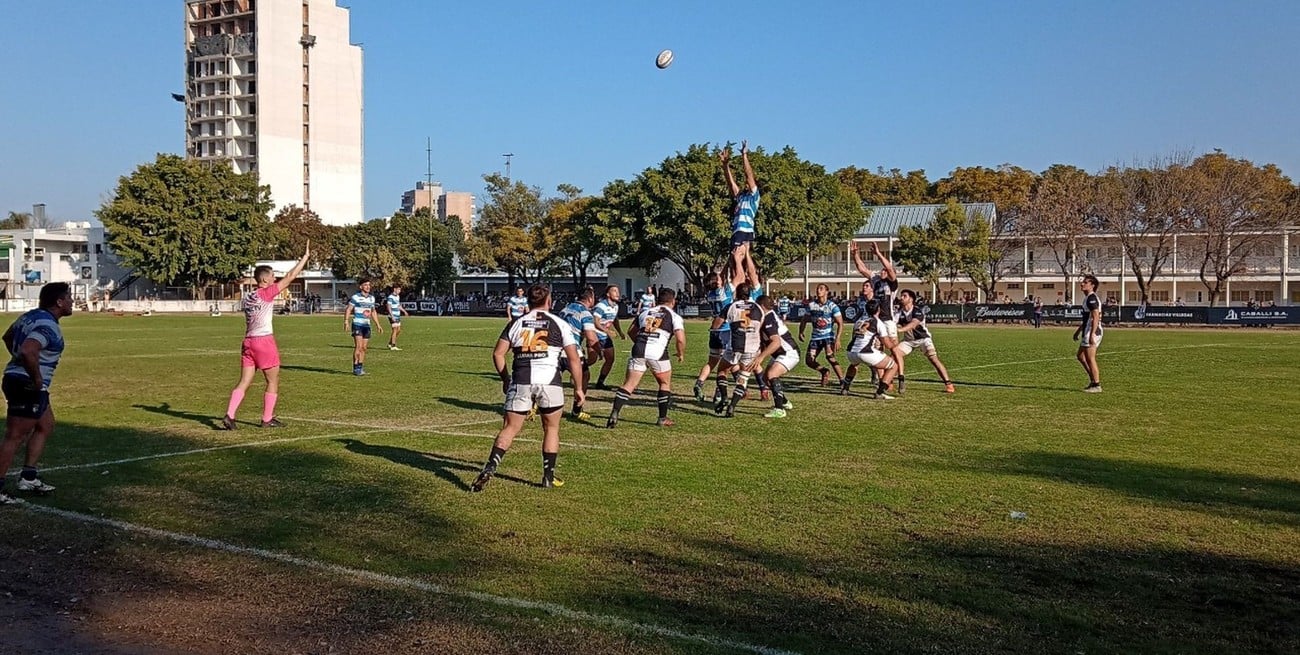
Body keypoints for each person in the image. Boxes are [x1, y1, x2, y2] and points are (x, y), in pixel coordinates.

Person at [471, 285, 585, 492]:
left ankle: (489, 467)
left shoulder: (516, 322)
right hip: (549, 381)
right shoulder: (559, 323)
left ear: (528, 301)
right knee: (551, 428)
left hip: (521, 380)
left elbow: (498, 354)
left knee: (510, 428)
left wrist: (505, 378)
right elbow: (574, 359)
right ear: (549, 301)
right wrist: (578, 388)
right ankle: (548, 477)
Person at [222, 245, 312, 430]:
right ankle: (267, 418)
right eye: (272, 276)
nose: (274, 279)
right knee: (272, 380)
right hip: (263, 341)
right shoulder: (266, 293)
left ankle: (230, 415)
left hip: (248, 342)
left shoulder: (249, 297)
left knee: (244, 381)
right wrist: (304, 258)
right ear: (264, 279)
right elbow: (290, 277)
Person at [0, 282, 73, 504]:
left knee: (45, 425)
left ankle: (28, 477)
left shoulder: (30, 316)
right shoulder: (47, 325)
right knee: (15, 435)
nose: (72, 302)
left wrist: (19, 361)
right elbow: (28, 350)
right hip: (26, 384)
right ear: (59, 302)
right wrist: (36, 377)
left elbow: (8, 337)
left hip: (22, 381)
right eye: (69, 297)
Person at [606, 287, 686, 428]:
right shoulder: (674, 316)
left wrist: (639, 343)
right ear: (673, 301)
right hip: (657, 352)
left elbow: (631, 331)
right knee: (664, 383)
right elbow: (680, 339)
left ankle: (615, 412)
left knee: (629, 384)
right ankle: (662, 418)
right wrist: (680, 353)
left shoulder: (645, 312)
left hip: (639, 350)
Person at [851, 241, 905, 391]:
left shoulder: (892, 284)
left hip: (888, 321)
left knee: (894, 349)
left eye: (885, 270)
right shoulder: (875, 280)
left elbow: (890, 268)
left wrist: (879, 254)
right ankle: (883, 381)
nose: (883, 271)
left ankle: (900, 377)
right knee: (877, 350)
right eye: (882, 270)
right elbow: (862, 268)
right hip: (877, 321)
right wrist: (855, 254)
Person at [693, 258, 745, 402]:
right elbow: (739, 277)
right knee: (725, 365)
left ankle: (699, 384)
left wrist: (728, 262)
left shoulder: (710, 294)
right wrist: (735, 260)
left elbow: (721, 276)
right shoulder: (726, 292)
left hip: (714, 332)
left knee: (712, 362)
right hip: (726, 330)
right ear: (717, 282)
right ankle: (719, 393)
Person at [714, 281, 765, 418]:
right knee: (744, 378)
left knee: (722, 370)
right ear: (750, 293)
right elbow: (761, 327)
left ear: (736, 293)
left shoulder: (731, 306)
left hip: (734, 346)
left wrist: (715, 328)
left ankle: (724, 397)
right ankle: (732, 406)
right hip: (752, 347)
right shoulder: (758, 308)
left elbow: (717, 324)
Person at [895, 289, 956, 393]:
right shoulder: (899, 313)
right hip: (909, 341)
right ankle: (891, 381)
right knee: (894, 355)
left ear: (911, 299)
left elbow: (913, 324)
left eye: (904, 296)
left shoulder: (917, 311)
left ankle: (948, 383)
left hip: (923, 339)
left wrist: (900, 330)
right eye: (901, 296)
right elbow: (892, 323)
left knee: (934, 359)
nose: (901, 298)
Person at [840, 298, 897, 400]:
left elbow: (854, 336)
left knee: (854, 364)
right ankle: (880, 392)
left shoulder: (859, 321)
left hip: (851, 352)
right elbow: (887, 343)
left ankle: (845, 388)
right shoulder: (878, 322)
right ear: (878, 309)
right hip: (865, 352)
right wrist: (895, 346)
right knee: (893, 366)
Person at [753, 295, 799, 418]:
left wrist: (761, 357)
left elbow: (776, 342)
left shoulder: (768, 318)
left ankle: (779, 410)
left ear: (762, 306)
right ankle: (784, 402)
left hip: (789, 352)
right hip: (780, 353)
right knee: (766, 379)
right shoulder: (767, 317)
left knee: (772, 374)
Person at [559, 286, 602, 420]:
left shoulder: (565, 309)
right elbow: (591, 338)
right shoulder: (585, 313)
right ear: (590, 298)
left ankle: (535, 404)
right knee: (584, 376)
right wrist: (599, 351)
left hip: (556, 350)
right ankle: (577, 409)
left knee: (552, 379)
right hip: (572, 350)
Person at [720, 140, 759, 280]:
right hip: (736, 233)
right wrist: (725, 165)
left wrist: (744, 156)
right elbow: (731, 183)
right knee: (733, 261)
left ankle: (745, 281)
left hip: (745, 232)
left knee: (741, 260)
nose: (746, 183)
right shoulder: (740, 197)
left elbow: (749, 176)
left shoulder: (754, 196)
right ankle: (736, 285)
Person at [799, 283, 845, 387]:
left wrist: (837, 339)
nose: (818, 291)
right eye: (817, 289)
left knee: (830, 357)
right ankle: (824, 371)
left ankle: (842, 380)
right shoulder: (811, 305)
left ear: (826, 292)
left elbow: (840, 323)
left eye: (821, 289)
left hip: (828, 337)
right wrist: (801, 332)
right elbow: (804, 319)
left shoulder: (832, 306)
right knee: (809, 361)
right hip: (815, 338)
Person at [345, 278, 383, 376]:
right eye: (365, 285)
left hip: (367, 325)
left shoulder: (372, 298)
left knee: (364, 348)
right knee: (358, 346)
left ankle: (360, 367)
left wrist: (378, 324)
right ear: (361, 287)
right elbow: (349, 309)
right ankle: (356, 367)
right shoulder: (355, 297)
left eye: (369, 285)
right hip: (357, 324)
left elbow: (373, 311)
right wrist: (346, 321)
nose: (368, 287)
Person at [1073, 274, 1104, 392]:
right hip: (1088, 330)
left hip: (1092, 331)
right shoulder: (1088, 298)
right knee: (1080, 356)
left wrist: (1092, 334)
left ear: (1092, 285)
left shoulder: (1091, 298)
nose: (1082, 284)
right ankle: (1093, 380)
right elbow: (1088, 318)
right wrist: (1078, 331)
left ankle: (1096, 385)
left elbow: (1095, 317)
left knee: (1090, 358)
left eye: (1085, 282)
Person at [591, 285, 625, 389]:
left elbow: (615, 319)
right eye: (614, 291)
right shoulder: (601, 306)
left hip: (604, 336)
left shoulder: (615, 306)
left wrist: (620, 332)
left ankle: (600, 383)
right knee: (592, 360)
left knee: (610, 358)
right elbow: (595, 321)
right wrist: (607, 331)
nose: (617, 293)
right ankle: (574, 369)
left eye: (618, 291)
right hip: (595, 334)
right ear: (608, 294)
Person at [386, 284, 407, 351]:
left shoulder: (397, 296)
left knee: (398, 330)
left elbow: (398, 305)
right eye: (398, 289)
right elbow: (388, 307)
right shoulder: (390, 297)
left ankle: (390, 343)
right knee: (394, 329)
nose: (399, 291)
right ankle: (393, 345)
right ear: (394, 289)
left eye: (400, 289)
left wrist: (404, 311)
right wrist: (392, 316)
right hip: (393, 315)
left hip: (397, 315)